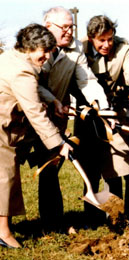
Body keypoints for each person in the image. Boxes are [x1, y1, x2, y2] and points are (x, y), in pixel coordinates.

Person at [36, 6, 109, 232]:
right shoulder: (35, 46)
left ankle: (53, 222)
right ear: (48, 27)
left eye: (71, 27)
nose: (69, 31)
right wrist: (51, 101)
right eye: (64, 27)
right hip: (32, 114)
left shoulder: (75, 48)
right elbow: (30, 84)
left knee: (50, 165)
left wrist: (103, 107)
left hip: (56, 117)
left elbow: (87, 81)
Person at [0, 24, 72, 248]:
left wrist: (52, 99)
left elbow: (33, 88)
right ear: (30, 47)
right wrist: (59, 143)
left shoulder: (12, 58)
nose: (47, 56)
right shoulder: (22, 70)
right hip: (2, 130)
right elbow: (35, 112)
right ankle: (3, 233)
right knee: (6, 178)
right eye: (44, 51)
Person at [82, 15, 129, 227]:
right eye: (101, 40)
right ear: (91, 38)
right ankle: (93, 217)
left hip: (116, 114)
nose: (107, 44)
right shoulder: (80, 49)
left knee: (121, 161)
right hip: (87, 113)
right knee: (90, 167)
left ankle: (122, 214)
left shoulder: (123, 48)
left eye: (110, 39)